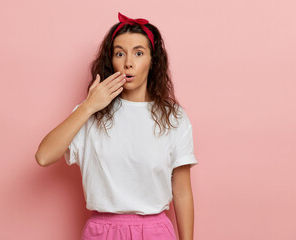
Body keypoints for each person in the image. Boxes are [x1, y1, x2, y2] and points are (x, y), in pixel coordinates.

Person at [35, 12, 198, 240]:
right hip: (102, 232)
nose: (128, 62)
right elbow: (43, 156)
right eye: (119, 53)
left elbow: (181, 192)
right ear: (110, 60)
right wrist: (89, 107)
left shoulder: (174, 117)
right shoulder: (90, 113)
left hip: (155, 232)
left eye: (138, 53)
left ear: (153, 61)